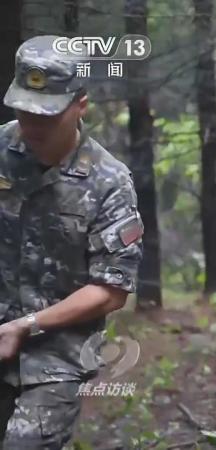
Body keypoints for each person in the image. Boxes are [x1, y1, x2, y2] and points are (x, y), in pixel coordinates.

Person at [0, 35, 144, 448]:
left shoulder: (109, 182)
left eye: (47, 115)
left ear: (80, 103)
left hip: (55, 356)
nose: (32, 126)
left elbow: (111, 290)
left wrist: (25, 326)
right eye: (24, 111)